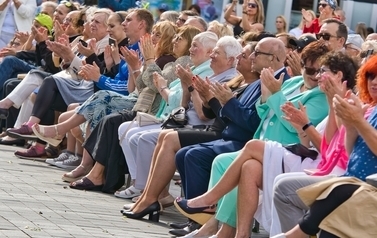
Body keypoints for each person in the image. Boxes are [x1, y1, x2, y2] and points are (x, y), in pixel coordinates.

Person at [174, 41, 330, 238]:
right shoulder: (293, 82)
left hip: (288, 150)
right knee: (235, 163)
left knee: (233, 158)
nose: (314, 74)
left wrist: (273, 95)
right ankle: (229, 230)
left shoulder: (321, 96)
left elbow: (293, 123)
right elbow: (262, 112)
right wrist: (266, 97)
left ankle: (214, 215)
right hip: (264, 146)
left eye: (319, 71)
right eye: (308, 67)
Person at [61, 25, 199, 189]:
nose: (152, 38)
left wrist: (146, 62)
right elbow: (139, 85)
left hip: (152, 111)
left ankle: (99, 172)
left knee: (107, 114)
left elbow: (151, 86)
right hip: (144, 106)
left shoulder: (174, 61)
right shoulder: (168, 60)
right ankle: (96, 171)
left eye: (179, 38)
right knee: (101, 116)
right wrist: (129, 66)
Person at [116, 35, 239, 201]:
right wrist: (187, 87)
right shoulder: (210, 73)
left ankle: (149, 191)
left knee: (145, 138)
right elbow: (183, 106)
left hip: (201, 127)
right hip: (181, 120)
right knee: (127, 129)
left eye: (216, 53)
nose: (212, 56)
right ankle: (144, 187)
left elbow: (203, 115)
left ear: (230, 60)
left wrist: (187, 87)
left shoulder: (228, 79)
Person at [271, 54, 377, 238]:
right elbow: (349, 151)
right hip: (348, 178)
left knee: (287, 187)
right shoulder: (369, 108)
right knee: (260, 161)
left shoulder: (353, 104)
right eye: (370, 76)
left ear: (340, 76)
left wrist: (307, 124)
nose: (374, 82)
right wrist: (350, 125)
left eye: (323, 71)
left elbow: (332, 152)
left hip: (359, 183)